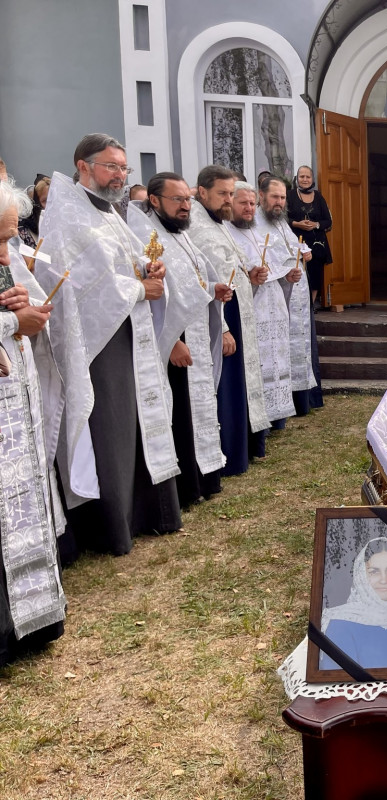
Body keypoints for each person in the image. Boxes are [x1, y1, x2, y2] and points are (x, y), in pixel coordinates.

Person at [39, 133, 182, 557]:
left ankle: (146, 514)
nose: (120, 174)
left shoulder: (109, 211)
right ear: (83, 166)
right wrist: (138, 288)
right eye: (111, 166)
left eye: (124, 168)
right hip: (98, 341)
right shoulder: (65, 214)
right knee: (112, 425)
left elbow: (122, 259)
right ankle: (111, 526)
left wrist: (147, 265)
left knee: (138, 420)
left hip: (129, 331)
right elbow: (74, 284)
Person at [0, 179, 67, 666]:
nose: (8, 255)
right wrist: (10, 325)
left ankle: (33, 620)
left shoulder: (7, 260)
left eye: (9, 239)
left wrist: (24, 312)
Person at [132, 172, 228, 508]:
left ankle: (204, 478)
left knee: (198, 406)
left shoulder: (181, 234)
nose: (186, 206)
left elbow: (192, 280)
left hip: (195, 331)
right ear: (155, 201)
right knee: (181, 413)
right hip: (173, 339)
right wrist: (170, 340)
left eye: (187, 199)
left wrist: (213, 290)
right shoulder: (146, 235)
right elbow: (155, 298)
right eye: (178, 200)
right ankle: (187, 485)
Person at [187, 168, 271, 476]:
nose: (228, 200)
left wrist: (252, 278)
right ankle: (228, 454)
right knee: (227, 386)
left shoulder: (216, 223)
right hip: (219, 315)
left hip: (235, 309)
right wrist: (221, 328)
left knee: (241, 384)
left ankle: (243, 448)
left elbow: (230, 271)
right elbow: (203, 281)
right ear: (202, 192)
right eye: (223, 194)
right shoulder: (196, 227)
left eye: (230, 193)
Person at [228, 181, 297, 425]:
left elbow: (273, 266)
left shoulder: (255, 230)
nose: (248, 208)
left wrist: (287, 276)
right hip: (251, 309)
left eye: (250, 203)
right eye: (242, 203)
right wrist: (251, 278)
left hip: (273, 304)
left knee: (276, 356)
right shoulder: (227, 232)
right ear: (229, 202)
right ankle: (257, 419)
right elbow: (228, 275)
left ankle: (276, 416)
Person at [260, 177, 319, 415]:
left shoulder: (281, 222)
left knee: (299, 345)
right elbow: (260, 258)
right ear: (261, 196)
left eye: (283, 197)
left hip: (296, 294)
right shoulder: (255, 223)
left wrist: (303, 252)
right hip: (275, 296)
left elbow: (293, 246)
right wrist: (285, 272)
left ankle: (301, 402)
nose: (279, 202)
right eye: (275, 196)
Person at [320, 537, 387, 670]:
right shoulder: (339, 626)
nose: (384, 580)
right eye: (374, 572)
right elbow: (339, 685)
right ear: (361, 576)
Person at [287, 165, 333, 308]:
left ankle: (310, 307)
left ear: (312, 179)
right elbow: (282, 219)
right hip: (296, 243)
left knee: (315, 276)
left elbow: (328, 221)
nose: (305, 179)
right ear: (297, 178)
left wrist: (316, 224)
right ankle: (297, 307)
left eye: (308, 177)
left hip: (317, 244)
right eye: (302, 176)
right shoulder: (289, 195)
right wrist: (296, 224)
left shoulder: (318, 196)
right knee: (298, 274)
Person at [17, 175, 48, 247]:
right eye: (45, 200)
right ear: (35, 202)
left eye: (52, 200)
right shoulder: (20, 228)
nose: (49, 205)